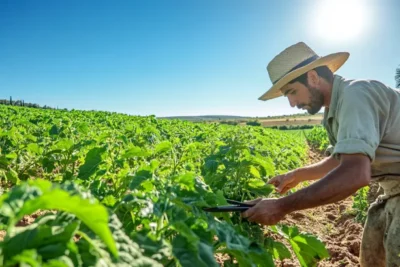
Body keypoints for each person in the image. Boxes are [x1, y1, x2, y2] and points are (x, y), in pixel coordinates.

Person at [242, 42, 400, 267]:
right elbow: (342, 158)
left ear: (313, 77)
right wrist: (297, 175)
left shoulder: (356, 95)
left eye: (292, 92)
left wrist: (281, 206)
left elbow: (355, 173)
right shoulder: (334, 108)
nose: (292, 103)